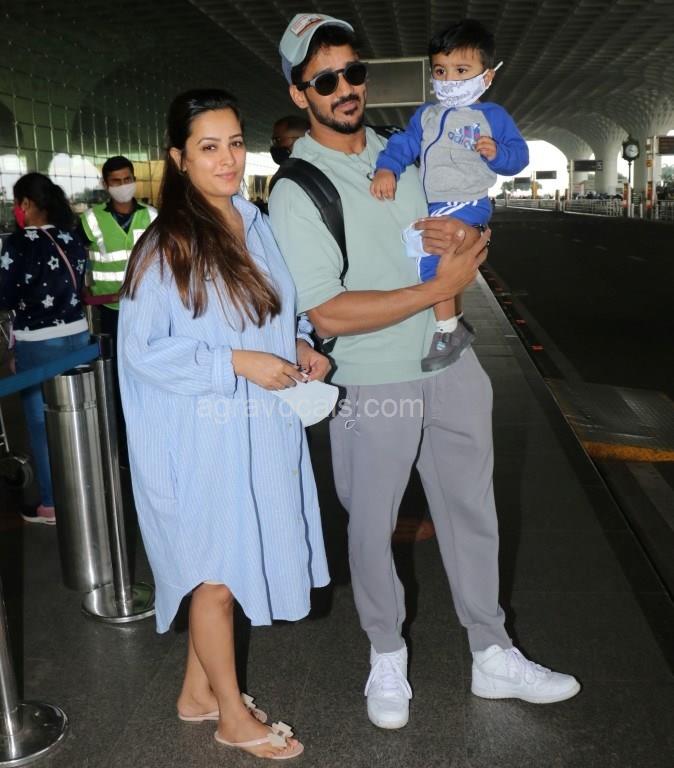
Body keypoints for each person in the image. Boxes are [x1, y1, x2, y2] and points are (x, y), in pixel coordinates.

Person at [269, 13, 580, 731]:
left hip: (451, 362)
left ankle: (491, 651)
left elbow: (462, 220)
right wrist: (438, 288)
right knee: (371, 525)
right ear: (299, 94)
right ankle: (386, 653)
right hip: (371, 380)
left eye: (353, 72)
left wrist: (470, 235)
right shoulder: (297, 189)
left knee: (474, 511)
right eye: (325, 80)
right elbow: (329, 311)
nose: (345, 88)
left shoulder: (405, 148)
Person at [117, 88, 331, 760]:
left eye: (235, 143)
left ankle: (196, 693)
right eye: (209, 147)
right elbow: (143, 352)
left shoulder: (252, 222)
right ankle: (232, 718)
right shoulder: (166, 245)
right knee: (216, 574)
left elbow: (271, 310)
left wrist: (297, 343)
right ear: (179, 158)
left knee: (231, 560)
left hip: (256, 429)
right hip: (199, 436)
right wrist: (235, 363)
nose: (228, 159)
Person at [370, 19, 528, 372]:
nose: (449, 79)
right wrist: (386, 168)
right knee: (420, 252)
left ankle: (447, 330)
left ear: (486, 76)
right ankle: (449, 320)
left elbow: (519, 157)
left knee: (430, 255)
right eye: (441, 70)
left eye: (461, 70)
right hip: (435, 201)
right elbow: (403, 144)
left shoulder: (493, 116)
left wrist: (498, 153)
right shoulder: (426, 115)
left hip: (466, 199)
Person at [0, 172, 89, 524]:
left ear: (26, 203)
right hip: (79, 336)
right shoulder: (72, 237)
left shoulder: (20, 243)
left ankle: (52, 503)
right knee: (77, 415)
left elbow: (5, 295)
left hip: (39, 342)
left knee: (42, 425)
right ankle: (86, 489)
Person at [79, 156, 157, 463]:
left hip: (148, 311)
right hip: (109, 312)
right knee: (115, 380)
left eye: (127, 179)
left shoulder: (152, 216)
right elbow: (78, 261)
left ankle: (152, 438)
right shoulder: (90, 220)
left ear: (134, 179)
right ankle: (124, 448)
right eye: (116, 181)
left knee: (149, 375)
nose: (123, 186)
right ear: (105, 184)